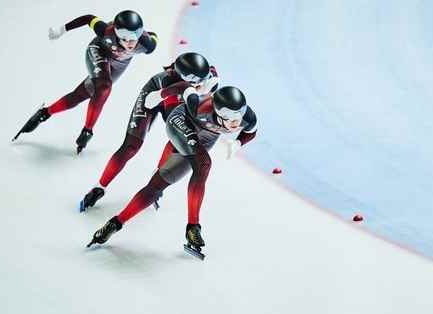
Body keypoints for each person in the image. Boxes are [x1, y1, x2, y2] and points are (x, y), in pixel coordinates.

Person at [87, 86, 257, 258]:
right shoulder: (200, 107)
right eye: (230, 118)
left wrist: (237, 143)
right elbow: (185, 88)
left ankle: (114, 223)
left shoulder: (248, 118)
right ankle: (193, 228)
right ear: (218, 112)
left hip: (204, 139)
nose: (236, 123)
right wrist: (158, 95)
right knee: (204, 163)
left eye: (239, 117)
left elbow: (251, 132)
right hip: (180, 123)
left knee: (157, 186)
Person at [80, 52, 219, 211]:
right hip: (154, 95)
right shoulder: (170, 80)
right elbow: (173, 114)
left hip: (179, 100)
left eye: (203, 80)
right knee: (131, 146)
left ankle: (157, 177)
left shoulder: (211, 78)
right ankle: (99, 187)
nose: (201, 85)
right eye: (196, 83)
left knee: (183, 137)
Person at [13, 10, 158, 153]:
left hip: (118, 65)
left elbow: (153, 37)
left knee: (80, 95)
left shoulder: (147, 45)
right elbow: (88, 18)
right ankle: (88, 131)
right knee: (104, 87)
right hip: (98, 51)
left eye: (133, 39)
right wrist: (61, 30)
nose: (129, 43)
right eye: (124, 38)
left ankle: (45, 113)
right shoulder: (106, 31)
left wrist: (150, 35)